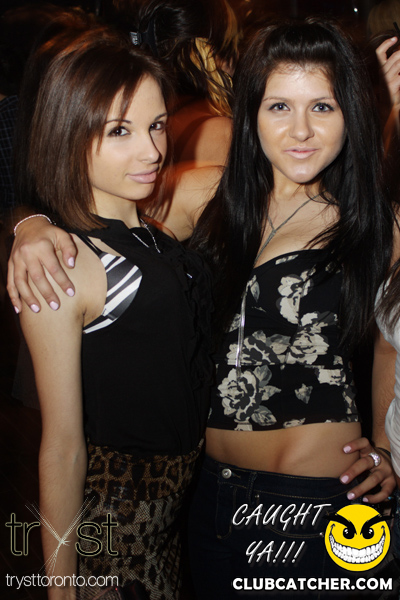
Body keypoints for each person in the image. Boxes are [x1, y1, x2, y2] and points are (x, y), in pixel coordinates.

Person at [7, 17, 396, 596]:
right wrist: (30, 225)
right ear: (251, 114)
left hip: (321, 502)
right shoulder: (212, 195)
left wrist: (389, 447)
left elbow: (392, 343)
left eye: (323, 107)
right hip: (207, 497)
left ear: (351, 115)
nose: (301, 130)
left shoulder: (379, 224)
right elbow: (87, 204)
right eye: (279, 107)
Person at [15, 26, 212, 600]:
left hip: (171, 516)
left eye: (157, 125)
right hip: (118, 532)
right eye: (119, 131)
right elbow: (62, 447)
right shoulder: (66, 262)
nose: (151, 150)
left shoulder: (151, 228)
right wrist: (61, 589)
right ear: (69, 133)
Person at [114, 0, 239, 168]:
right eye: (230, 44)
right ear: (204, 54)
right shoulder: (219, 132)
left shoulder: (151, 116)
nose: (237, 56)